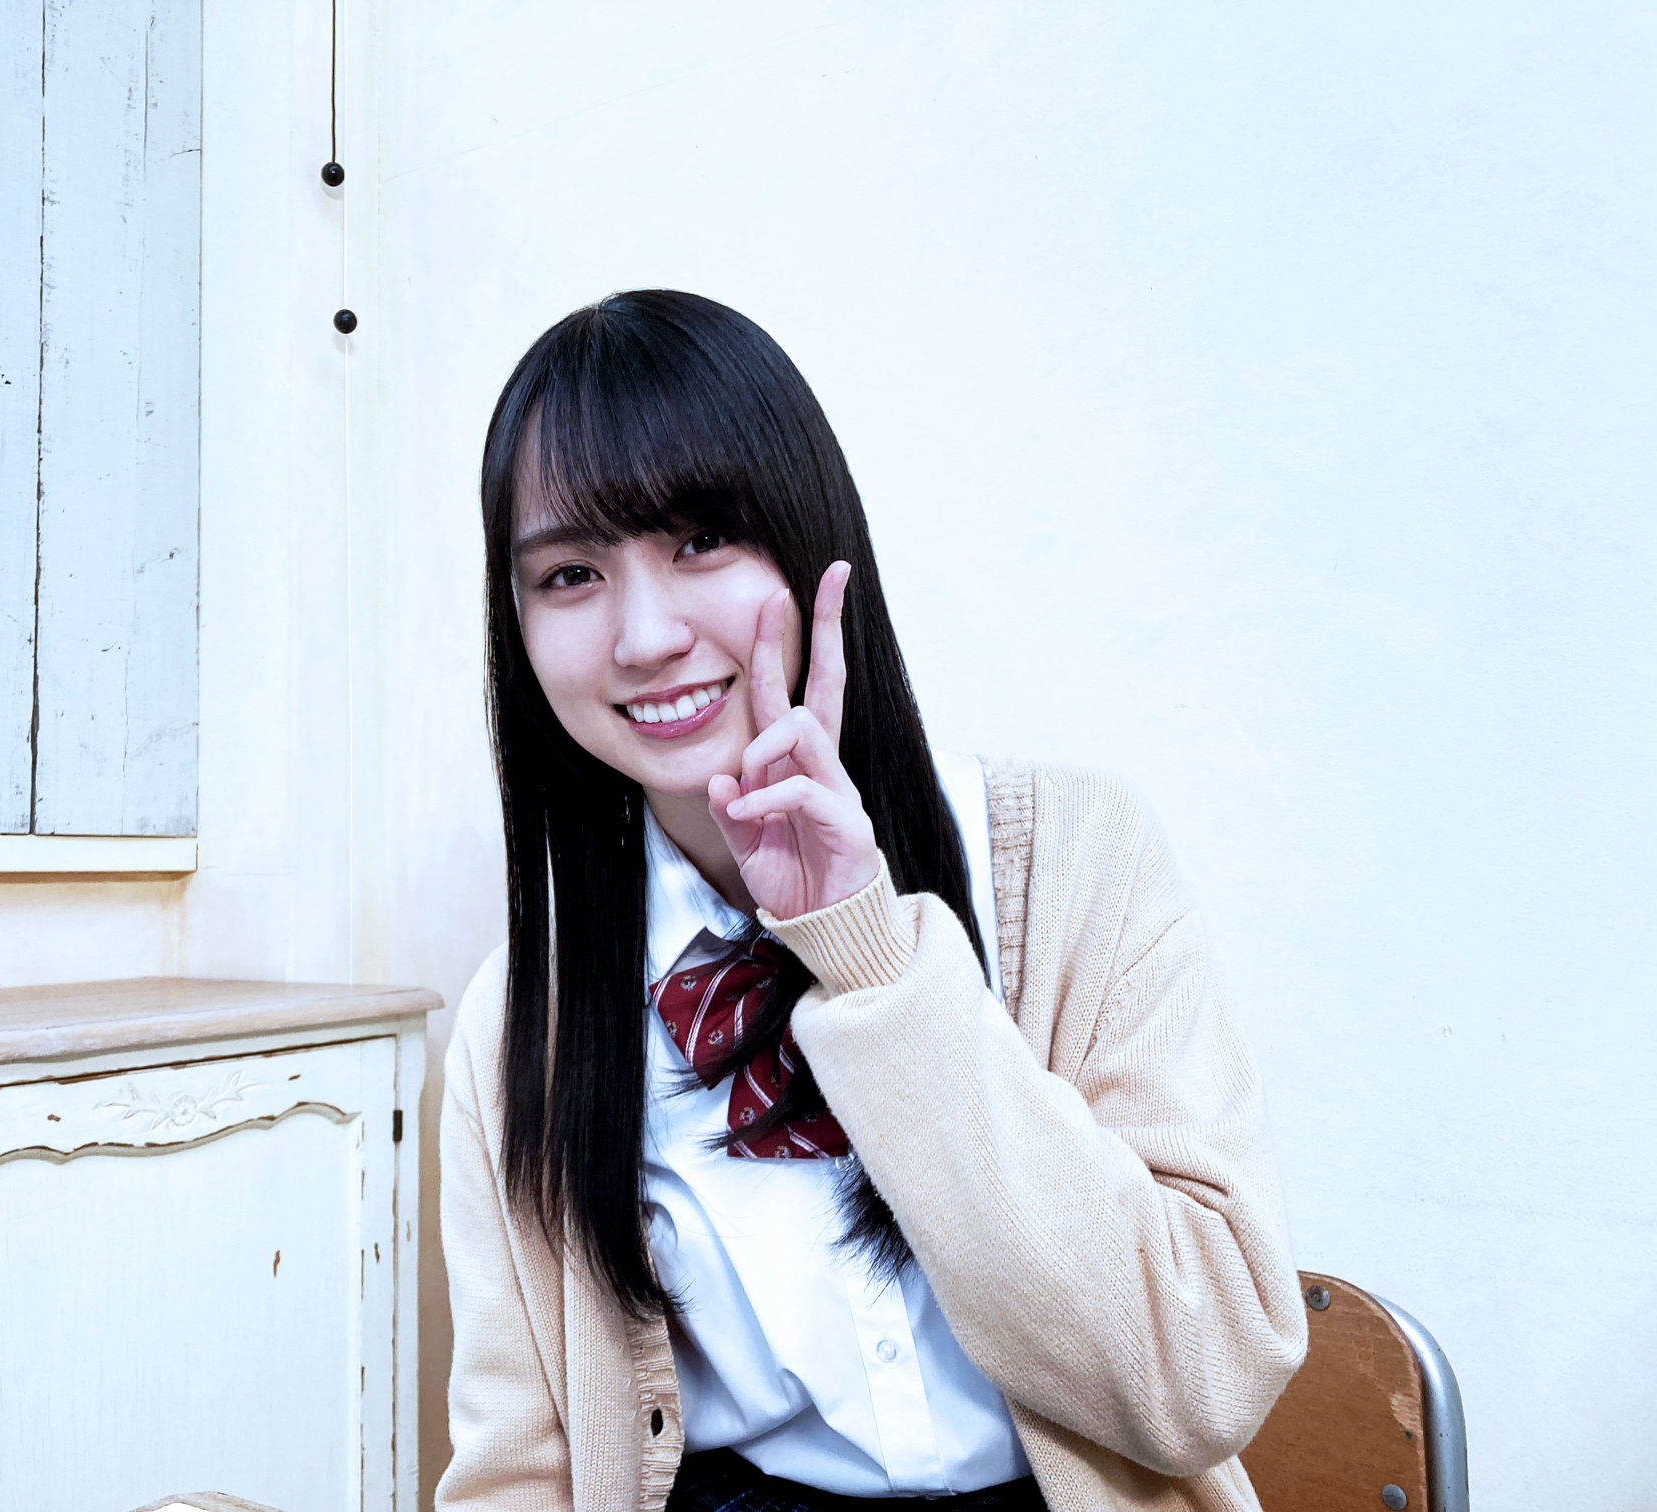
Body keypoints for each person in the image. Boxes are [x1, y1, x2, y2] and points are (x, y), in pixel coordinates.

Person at [438, 290, 1307, 1512]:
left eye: (700, 541)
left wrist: (871, 961)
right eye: (571, 573)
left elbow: (1204, 1375)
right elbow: (517, 1472)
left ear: (810, 540)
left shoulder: (1079, 862)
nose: (643, 635)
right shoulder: (519, 1027)